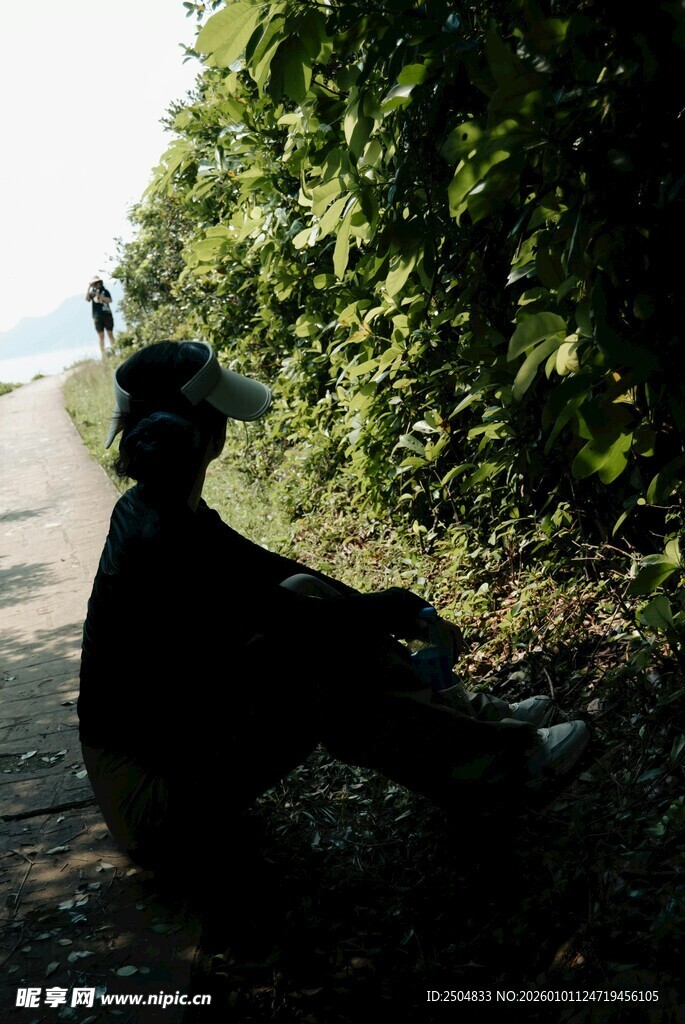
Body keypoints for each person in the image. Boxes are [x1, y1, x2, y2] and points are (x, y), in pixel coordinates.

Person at [78, 341, 589, 874]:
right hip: (154, 803)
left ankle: (461, 717)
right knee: (317, 673)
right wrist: (386, 610)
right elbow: (295, 625)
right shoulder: (160, 539)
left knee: (305, 592)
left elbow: (273, 572)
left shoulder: (155, 509)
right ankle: (511, 764)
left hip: (169, 757)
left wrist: (387, 606)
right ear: (211, 436)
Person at [85, 274, 115, 357]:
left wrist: (102, 298)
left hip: (107, 315)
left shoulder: (105, 291)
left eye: (97, 283)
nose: (96, 285)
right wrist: (88, 288)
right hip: (97, 317)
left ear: (100, 282)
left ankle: (114, 351)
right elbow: (87, 299)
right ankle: (103, 355)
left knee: (110, 334)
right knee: (101, 336)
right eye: (94, 283)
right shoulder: (92, 293)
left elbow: (110, 300)